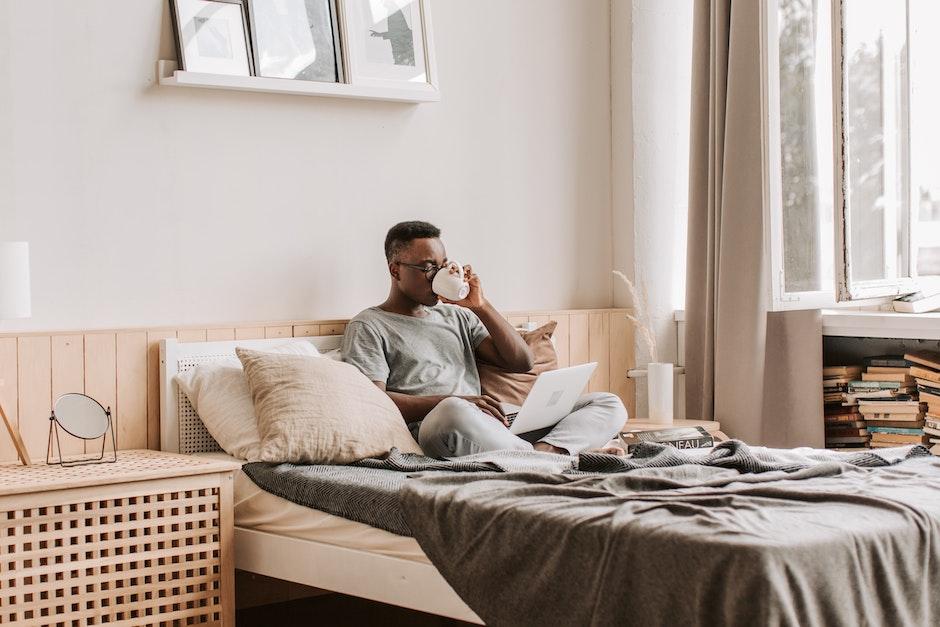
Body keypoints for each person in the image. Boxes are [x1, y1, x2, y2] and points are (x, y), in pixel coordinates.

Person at [341, 220, 628, 458]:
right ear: (395, 270)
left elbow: (521, 361)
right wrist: (456, 400)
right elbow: (374, 402)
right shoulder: (370, 325)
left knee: (608, 402)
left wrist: (481, 306)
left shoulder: (457, 317)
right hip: (442, 426)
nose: (438, 275)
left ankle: (545, 455)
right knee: (453, 411)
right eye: (428, 267)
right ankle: (557, 458)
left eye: (442, 265)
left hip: (495, 426)